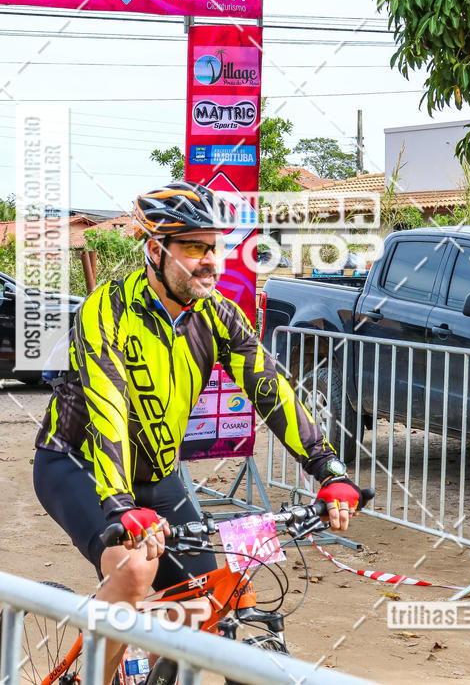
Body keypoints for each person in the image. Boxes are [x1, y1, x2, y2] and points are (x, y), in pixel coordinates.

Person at [33, 182, 364, 683]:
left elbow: (270, 386)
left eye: (216, 246)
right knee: (133, 573)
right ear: (155, 250)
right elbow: (108, 410)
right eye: (195, 247)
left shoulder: (215, 314)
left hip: (159, 477)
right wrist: (121, 505)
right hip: (78, 466)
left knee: (210, 596)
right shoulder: (106, 312)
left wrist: (329, 469)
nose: (213, 260)